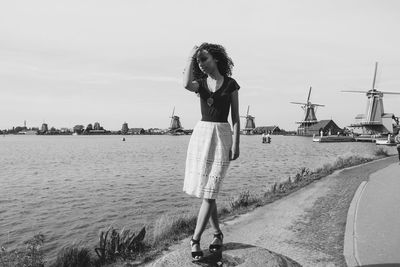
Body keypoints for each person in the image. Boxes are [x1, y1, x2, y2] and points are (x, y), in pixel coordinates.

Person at [182, 43, 240, 261]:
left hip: (223, 136)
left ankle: (195, 239)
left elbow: (235, 118)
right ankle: (217, 234)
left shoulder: (231, 85)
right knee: (209, 192)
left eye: (204, 59)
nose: (201, 64)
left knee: (211, 190)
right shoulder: (201, 85)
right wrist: (191, 56)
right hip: (202, 136)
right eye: (198, 61)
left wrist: (237, 144)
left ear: (216, 58)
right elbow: (186, 83)